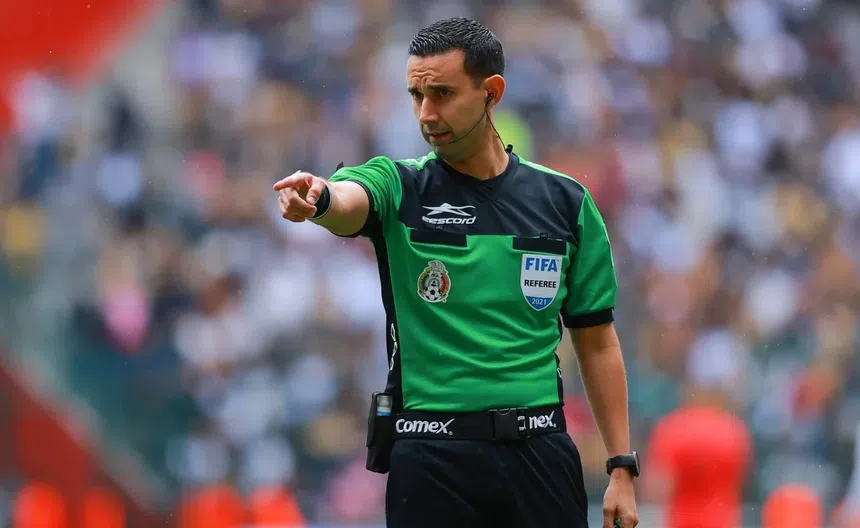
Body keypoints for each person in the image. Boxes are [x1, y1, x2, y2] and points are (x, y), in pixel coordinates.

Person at [273, 17, 638, 528]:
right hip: (431, 458)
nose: (427, 113)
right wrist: (321, 198)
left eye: (442, 93)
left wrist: (621, 466)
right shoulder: (399, 186)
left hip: (539, 451)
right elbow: (348, 200)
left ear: (492, 93)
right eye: (416, 95)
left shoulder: (565, 203)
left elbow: (597, 343)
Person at [642, 378, 751, 528]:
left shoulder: (672, 428)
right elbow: (740, 481)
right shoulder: (734, 430)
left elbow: (657, 487)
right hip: (722, 521)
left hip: (682, 522)